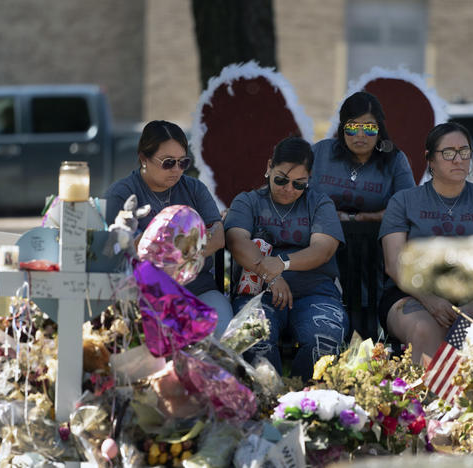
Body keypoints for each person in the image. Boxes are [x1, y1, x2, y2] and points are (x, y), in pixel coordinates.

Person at [378, 122, 473, 363]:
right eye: (448, 153)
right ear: (430, 159)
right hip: (413, 294)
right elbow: (394, 264)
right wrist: (430, 300)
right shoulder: (404, 201)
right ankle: (423, 399)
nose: (458, 159)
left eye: (464, 152)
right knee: (425, 328)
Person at [224, 136, 349, 380]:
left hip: (316, 293)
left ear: (309, 179)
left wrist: (282, 263)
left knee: (324, 341)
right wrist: (270, 275)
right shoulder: (247, 201)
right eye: (281, 179)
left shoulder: (319, 203)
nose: (289, 189)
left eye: (299, 184)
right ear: (269, 166)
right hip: (259, 293)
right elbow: (237, 242)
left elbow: (323, 249)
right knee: (254, 342)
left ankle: (306, 405)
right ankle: (267, 407)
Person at [104, 120, 233, 337]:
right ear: (143, 158)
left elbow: (218, 237)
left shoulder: (194, 188)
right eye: (168, 162)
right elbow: (116, 252)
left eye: (183, 163)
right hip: (146, 296)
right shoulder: (121, 194)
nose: (176, 170)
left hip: (199, 290)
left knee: (225, 336)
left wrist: (175, 260)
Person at [310, 91, 416, 222]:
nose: (360, 134)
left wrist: (365, 218)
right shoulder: (320, 151)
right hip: (320, 229)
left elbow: (409, 206)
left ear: (379, 130)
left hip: (378, 233)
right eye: (352, 127)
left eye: (369, 128)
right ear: (342, 129)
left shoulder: (395, 159)